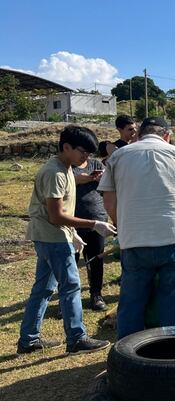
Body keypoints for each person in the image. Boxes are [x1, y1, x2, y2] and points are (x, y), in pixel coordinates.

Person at [99, 117, 175, 338]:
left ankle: (128, 356)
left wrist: (124, 226)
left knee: (131, 300)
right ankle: (169, 352)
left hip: (134, 240)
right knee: (174, 299)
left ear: (139, 134)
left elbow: (109, 201)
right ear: (167, 135)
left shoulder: (118, 156)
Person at [17, 125, 114, 355]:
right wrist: (93, 224)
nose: (85, 158)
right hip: (52, 238)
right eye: (82, 152)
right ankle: (77, 339)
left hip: (54, 235)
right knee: (70, 286)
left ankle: (28, 340)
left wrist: (74, 234)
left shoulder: (66, 168)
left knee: (43, 288)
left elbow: (61, 212)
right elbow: (56, 215)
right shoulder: (55, 173)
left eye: (89, 154)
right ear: (66, 147)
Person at [72, 155, 108, 311]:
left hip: (97, 219)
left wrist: (102, 179)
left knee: (96, 259)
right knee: (70, 262)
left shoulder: (95, 163)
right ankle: (68, 300)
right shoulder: (65, 166)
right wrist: (77, 180)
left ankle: (96, 294)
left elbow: (109, 187)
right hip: (72, 221)